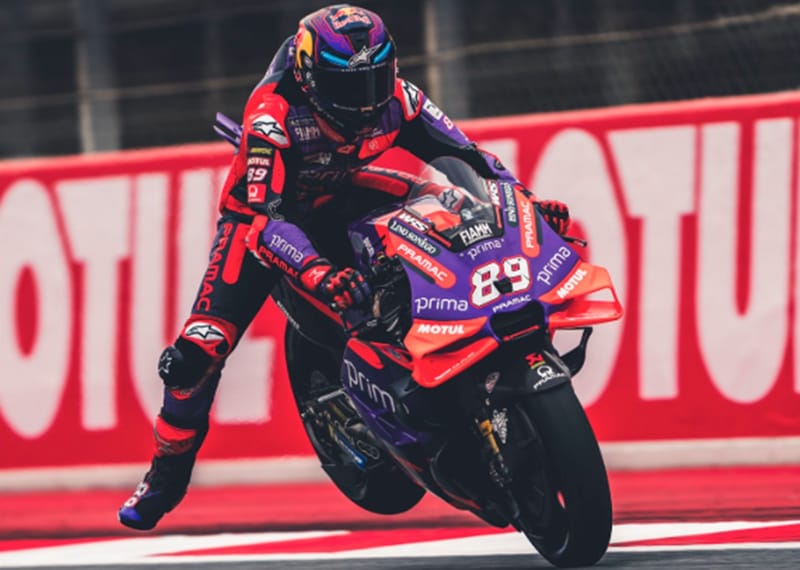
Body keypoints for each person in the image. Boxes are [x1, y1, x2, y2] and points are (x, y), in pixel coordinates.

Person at [118, 3, 571, 531]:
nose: (367, 101)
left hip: (345, 191)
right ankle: (164, 478)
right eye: (349, 86)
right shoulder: (272, 116)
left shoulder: (400, 98)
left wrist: (524, 204)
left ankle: (459, 352)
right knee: (197, 352)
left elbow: (469, 160)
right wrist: (317, 271)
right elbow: (267, 219)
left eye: (375, 80)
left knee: (450, 204)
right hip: (265, 221)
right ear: (311, 80)